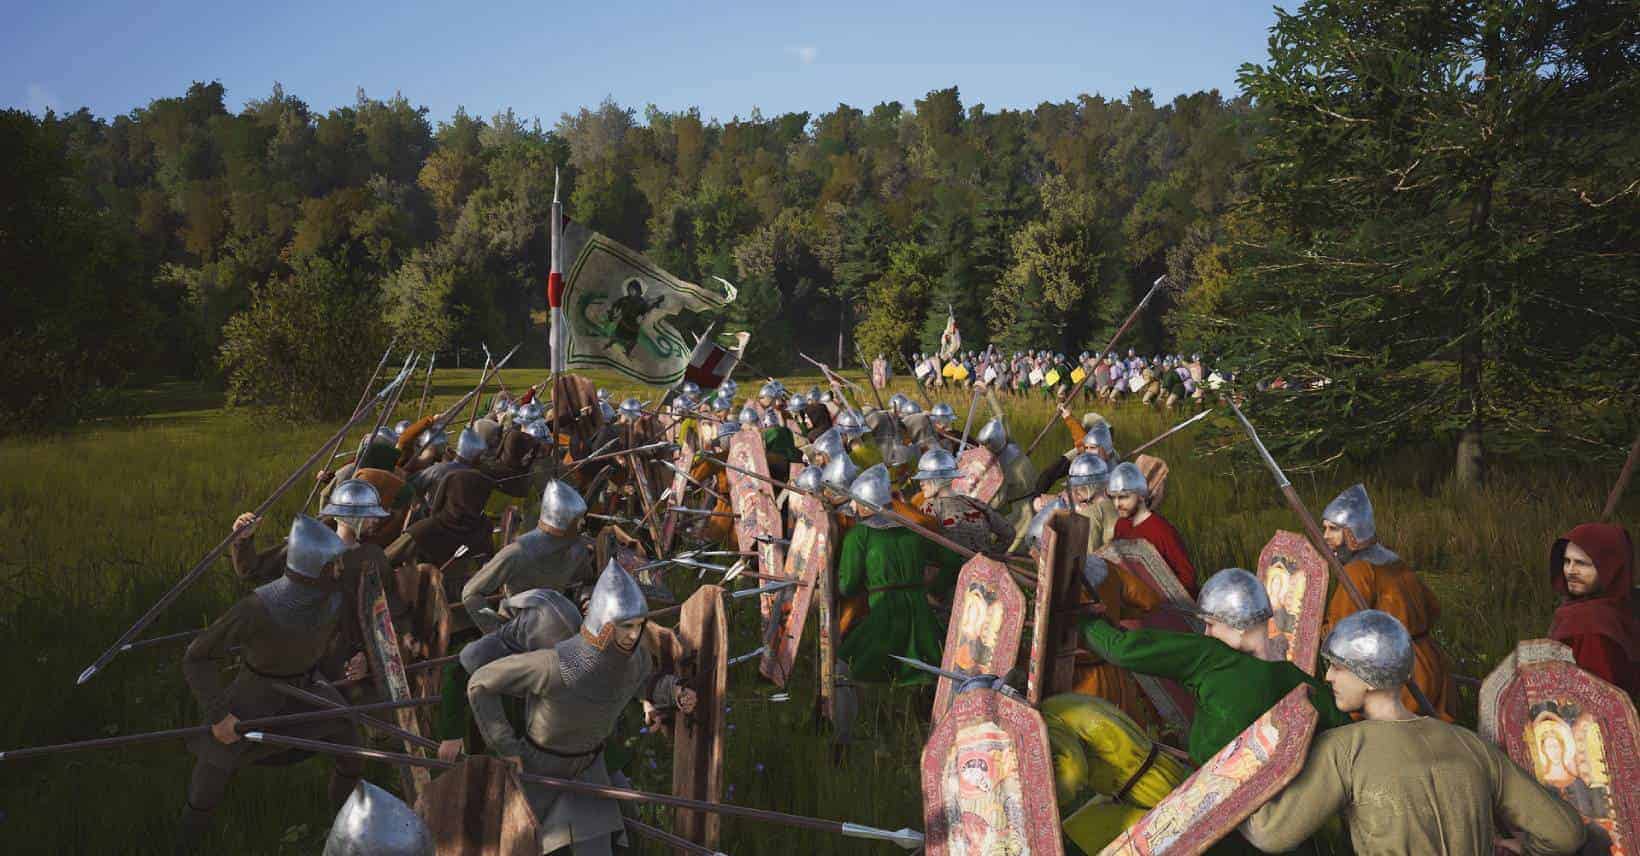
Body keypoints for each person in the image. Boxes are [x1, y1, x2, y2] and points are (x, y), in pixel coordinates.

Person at [1241, 611, 1588, 856]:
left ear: (1368, 676)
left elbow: (1271, 833)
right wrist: (1523, 848)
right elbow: (1565, 834)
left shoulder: (1344, 749)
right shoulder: (1468, 743)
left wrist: (1231, 792)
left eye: (1338, 667)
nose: (1328, 677)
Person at [467, 561, 697, 856]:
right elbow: (481, 683)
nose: (633, 635)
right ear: (604, 625)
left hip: (590, 766)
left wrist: (675, 692)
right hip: (540, 767)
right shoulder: (553, 665)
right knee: (519, 845)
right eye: (626, 626)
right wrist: (506, 746)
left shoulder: (635, 658)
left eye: (639, 626)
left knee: (611, 839)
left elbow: (642, 683)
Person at [177, 516, 365, 853]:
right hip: (255, 696)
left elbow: (353, 634)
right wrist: (220, 715)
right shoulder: (257, 607)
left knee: (349, 740)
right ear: (313, 568)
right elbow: (197, 656)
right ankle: (186, 844)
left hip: (309, 688)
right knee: (210, 776)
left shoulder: (337, 596)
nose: (340, 568)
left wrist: (359, 654)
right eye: (333, 563)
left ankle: (344, 826)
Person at [1318, 483, 1458, 718]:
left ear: (1352, 533)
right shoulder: (1393, 561)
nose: (1325, 537)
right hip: (1431, 663)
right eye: (1324, 528)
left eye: (1333, 529)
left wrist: (1309, 629)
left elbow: (1342, 633)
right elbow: (1433, 608)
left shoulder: (1358, 572)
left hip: (1396, 675)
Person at [835, 465, 965, 684]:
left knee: (849, 664)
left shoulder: (859, 535)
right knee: (931, 669)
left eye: (856, 502)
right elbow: (952, 560)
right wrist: (935, 590)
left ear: (866, 505)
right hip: (921, 613)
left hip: (882, 613)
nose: (854, 507)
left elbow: (848, 585)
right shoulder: (913, 531)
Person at [460, 481, 594, 633]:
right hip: (517, 628)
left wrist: (587, 600)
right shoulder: (517, 553)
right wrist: (496, 630)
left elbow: (586, 581)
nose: (582, 523)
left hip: (556, 626)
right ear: (562, 521)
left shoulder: (577, 548)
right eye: (577, 519)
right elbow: (471, 593)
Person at [1546, 522, 1637, 696]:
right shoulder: (1620, 604)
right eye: (1567, 561)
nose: (1570, 571)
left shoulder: (1588, 622)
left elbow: (1596, 699)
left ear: (1610, 569)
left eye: (1582, 563)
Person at [1108, 462, 1197, 596]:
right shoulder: (1121, 525)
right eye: (1113, 498)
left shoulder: (1161, 531)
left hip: (1163, 608)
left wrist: (1161, 598)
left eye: (1123, 497)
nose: (1117, 504)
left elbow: (1188, 579)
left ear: (1141, 495)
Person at [913, 448, 1013, 554]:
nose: (921, 483)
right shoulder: (976, 504)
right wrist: (989, 556)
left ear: (940, 479)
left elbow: (920, 546)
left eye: (925, 478)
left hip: (949, 569)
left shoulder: (929, 507)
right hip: (979, 568)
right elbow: (1009, 533)